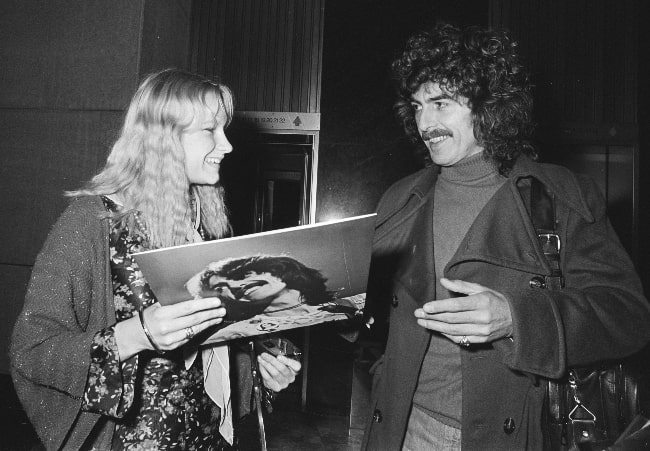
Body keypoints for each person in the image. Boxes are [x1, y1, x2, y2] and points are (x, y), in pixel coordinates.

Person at [361, 23, 650, 450]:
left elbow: (628, 315)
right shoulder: (401, 199)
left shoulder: (558, 197)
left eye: (441, 103)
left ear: (489, 106)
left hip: (510, 435)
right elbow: (368, 316)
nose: (425, 122)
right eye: (418, 105)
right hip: (403, 427)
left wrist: (517, 319)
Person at [10, 68, 301, 451]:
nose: (227, 145)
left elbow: (213, 348)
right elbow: (31, 351)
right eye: (210, 130)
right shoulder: (92, 223)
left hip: (205, 439)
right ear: (164, 139)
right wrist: (137, 334)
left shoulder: (208, 228)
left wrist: (260, 368)